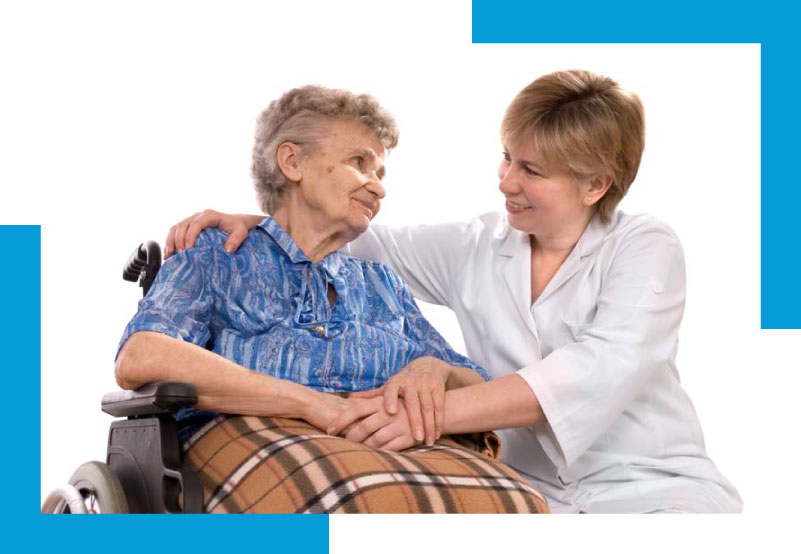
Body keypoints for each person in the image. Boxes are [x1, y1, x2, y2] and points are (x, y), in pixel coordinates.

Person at [167, 70, 743, 513]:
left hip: (654, 487)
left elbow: (598, 369)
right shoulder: (477, 245)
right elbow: (345, 237)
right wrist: (258, 220)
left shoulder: (644, 246)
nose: (506, 182)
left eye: (533, 171)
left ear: (595, 185)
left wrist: (430, 401)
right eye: (506, 156)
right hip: (535, 491)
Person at [115, 86, 552, 513]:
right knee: (357, 503)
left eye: (381, 174)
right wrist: (308, 402)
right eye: (359, 163)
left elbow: (477, 386)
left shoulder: (382, 284)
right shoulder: (218, 254)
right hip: (254, 432)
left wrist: (433, 369)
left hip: (385, 446)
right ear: (292, 161)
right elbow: (141, 355)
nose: (378, 188)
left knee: (523, 505)